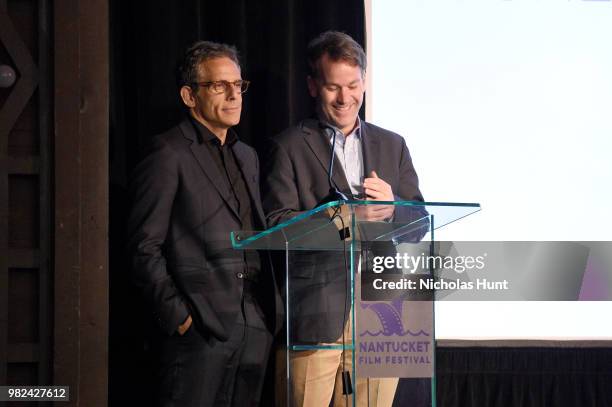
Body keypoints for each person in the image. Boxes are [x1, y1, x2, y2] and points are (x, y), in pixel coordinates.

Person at [262, 31, 424, 407]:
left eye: (353, 85)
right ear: (313, 86)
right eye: (333, 87)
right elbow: (276, 225)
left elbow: (419, 222)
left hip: (384, 313)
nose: (345, 98)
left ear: (364, 82)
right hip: (317, 309)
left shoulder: (393, 144)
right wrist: (340, 220)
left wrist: (394, 205)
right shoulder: (288, 146)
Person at [128, 41, 282, 407]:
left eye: (238, 85)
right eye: (219, 85)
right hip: (200, 329)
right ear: (189, 95)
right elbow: (142, 246)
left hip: (254, 322)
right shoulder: (168, 153)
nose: (233, 95)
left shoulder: (248, 156)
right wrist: (179, 316)